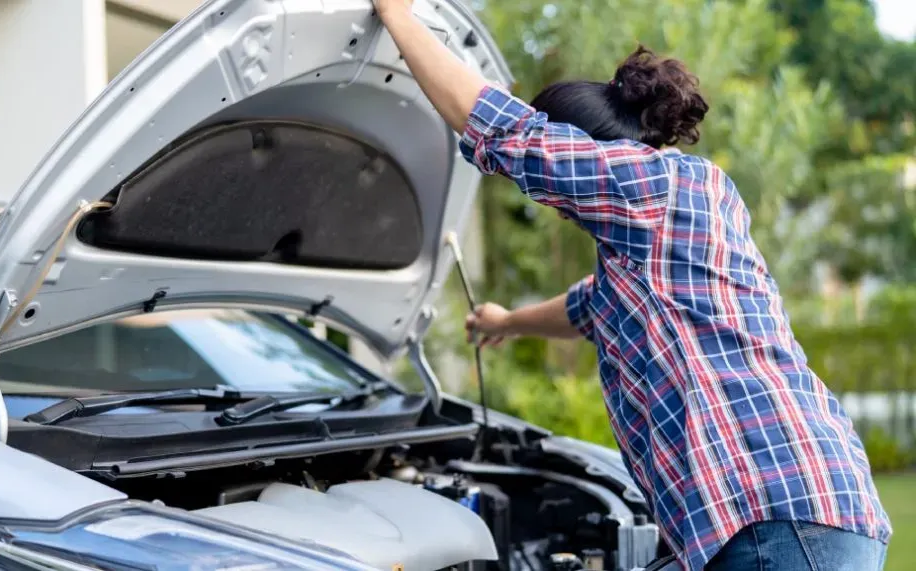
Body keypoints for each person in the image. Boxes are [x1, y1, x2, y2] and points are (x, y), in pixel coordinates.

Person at [371, 1, 892, 570]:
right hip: (806, 505)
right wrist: (507, 323)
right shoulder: (670, 216)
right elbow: (593, 305)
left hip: (772, 514)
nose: (562, 209)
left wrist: (397, 15)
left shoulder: (644, 183)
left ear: (588, 151)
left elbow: (505, 130)